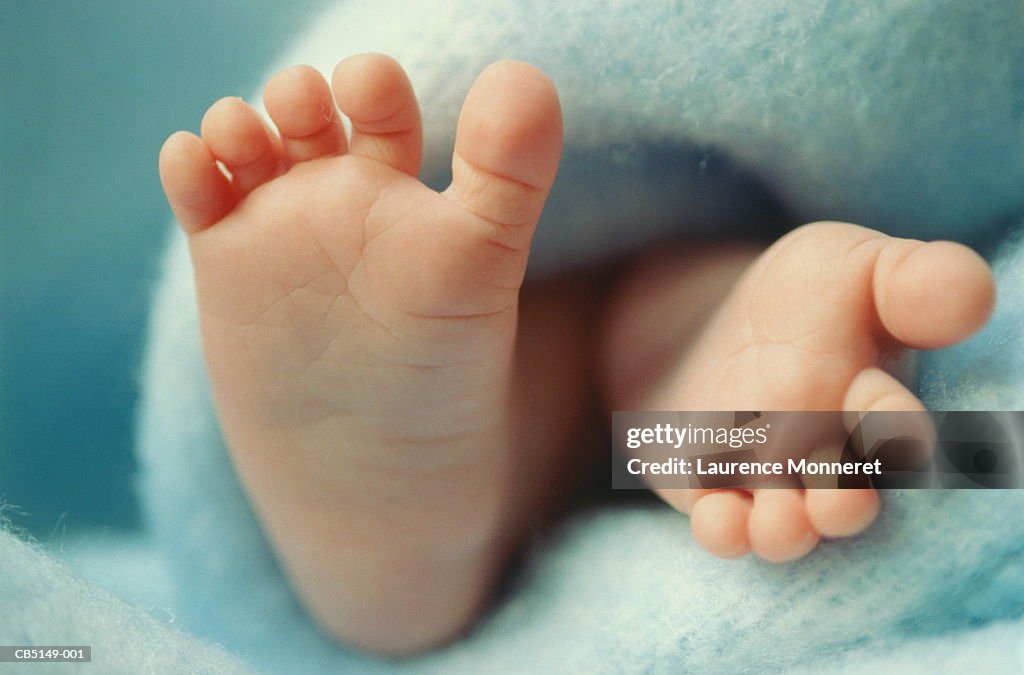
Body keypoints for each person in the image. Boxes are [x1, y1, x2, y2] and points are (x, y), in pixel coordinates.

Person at [157, 53, 995, 655]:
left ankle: (678, 358)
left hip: (602, 348)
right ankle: (676, 334)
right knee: (955, 444)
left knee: (598, 360)